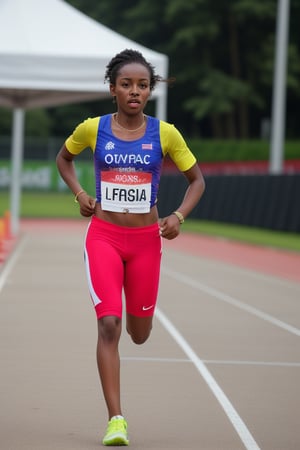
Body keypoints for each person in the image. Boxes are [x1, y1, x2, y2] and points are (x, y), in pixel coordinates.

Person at [56, 48, 205, 446]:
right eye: (127, 85)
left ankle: (143, 317)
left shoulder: (166, 133)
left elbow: (197, 181)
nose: (134, 91)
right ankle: (116, 419)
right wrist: (80, 194)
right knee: (109, 324)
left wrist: (178, 216)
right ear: (113, 89)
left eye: (142, 85)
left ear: (150, 91)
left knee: (138, 334)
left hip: (145, 244)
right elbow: (64, 160)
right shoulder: (92, 128)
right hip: (103, 236)